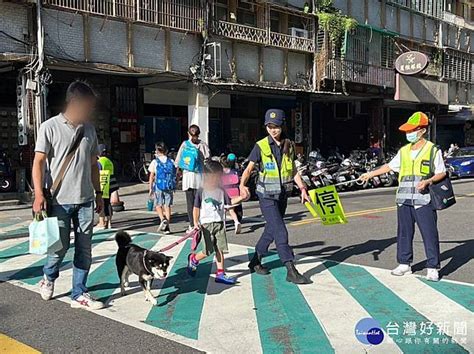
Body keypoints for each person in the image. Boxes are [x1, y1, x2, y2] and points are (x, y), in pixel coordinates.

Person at [32, 80, 105, 310]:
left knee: (84, 249)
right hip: (59, 202)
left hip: (85, 201)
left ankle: (79, 293)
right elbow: (39, 162)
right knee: (58, 249)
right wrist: (37, 194)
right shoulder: (49, 127)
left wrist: (99, 194)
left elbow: (94, 165)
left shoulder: (90, 130)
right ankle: (48, 277)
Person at [360, 112, 446, 282]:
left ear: (421, 130)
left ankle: (432, 267)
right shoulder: (404, 151)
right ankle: (404, 263)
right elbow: (390, 166)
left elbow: (441, 173)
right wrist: (370, 174)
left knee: (429, 234)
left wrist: (428, 181)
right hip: (404, 199)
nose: (408, 134)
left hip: (424, 199)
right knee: (404, 233)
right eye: (407, 130)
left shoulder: (432, 150)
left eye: (412, 130)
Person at [240, 109, 311, 285]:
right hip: (266, 197)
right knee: (281, 231)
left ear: (282, 126)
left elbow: (293, 170)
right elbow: (249, 169)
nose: (273, 130)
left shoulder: (289, 145)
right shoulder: (261, 146)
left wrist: (302, 188)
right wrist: (241, 185)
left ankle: (255, 261)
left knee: (271, 230)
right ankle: (290, 269)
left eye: (276, 126)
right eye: (270, 126)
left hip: (282, 196)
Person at [187, 160, 244, 284]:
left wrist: (243, 197)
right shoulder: (201, 190)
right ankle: (194, 259)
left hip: (219, 223)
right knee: (207, 251)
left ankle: (220, 273)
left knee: (220, 249)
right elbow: (196, 208)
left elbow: (230, 203)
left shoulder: (221, 190)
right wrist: (195, 222)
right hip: (206, 225)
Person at [175, 125, 210, 230]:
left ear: (188, 133)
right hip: (199, 176)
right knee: (199, 201)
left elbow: (178, 161)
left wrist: (177, 175)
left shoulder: (185, 145)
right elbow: (208, 160)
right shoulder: (203, 145)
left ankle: (192, 224)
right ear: (199, 134)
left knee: (190, 202)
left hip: (187, 177)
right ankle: (200, 221)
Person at [148, 142, 176, 234]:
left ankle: (162, 219)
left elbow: (151, 176)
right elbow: (176, 173)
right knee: (167, 206)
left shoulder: (155, 162)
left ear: (157, 151)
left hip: (158, 186)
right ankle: (167, 226)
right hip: (169, 186)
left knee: (158, 205)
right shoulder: (171, 161)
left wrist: (150, 188)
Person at [97, 144, 119, 229]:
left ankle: (102, 222)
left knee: (101, 203)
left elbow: (97, 173)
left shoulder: (99, 162)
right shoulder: (109, 161)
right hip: (111, 184)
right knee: (108, 203)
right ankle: (109, 222)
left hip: (102, 184)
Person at [221, 153, 243, 233]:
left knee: (224, 210)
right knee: (232, 209)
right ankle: (237, 222)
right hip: (236, 194)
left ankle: (223, 226)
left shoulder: (222, 172)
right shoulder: (236, 171)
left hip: (226, 194)